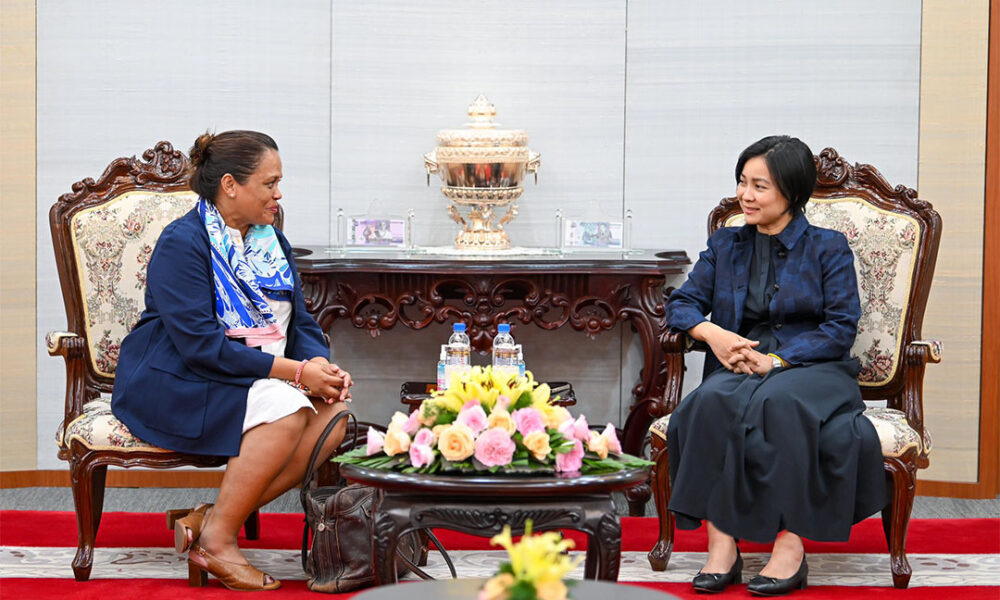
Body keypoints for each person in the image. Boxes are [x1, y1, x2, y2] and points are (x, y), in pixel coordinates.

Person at [111, 130, 353, 591]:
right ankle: (218, 543)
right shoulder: (183, 242)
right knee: (287, 410)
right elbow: (202, 347)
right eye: (269, 183)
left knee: (334, 416)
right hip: (181, 379)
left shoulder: (270, 241)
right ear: (230, 185)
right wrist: (297, 374)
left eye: (279, 183)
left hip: (253, 376)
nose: (278, 194)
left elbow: (300, 323)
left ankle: (212, 519)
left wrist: (320, 367)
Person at [664, 135, 886, 596]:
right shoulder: (726, 244)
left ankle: (790, 546)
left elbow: (840, 327)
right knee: (705, 404)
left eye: (759, 186)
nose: (745, 195)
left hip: (814, 367)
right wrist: (714, 335)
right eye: (742, 182)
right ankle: (722, 544)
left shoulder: (828, 247)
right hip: (740, 365)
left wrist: (778, 359)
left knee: (780, 403)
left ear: (791, 191)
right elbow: (682, 303)